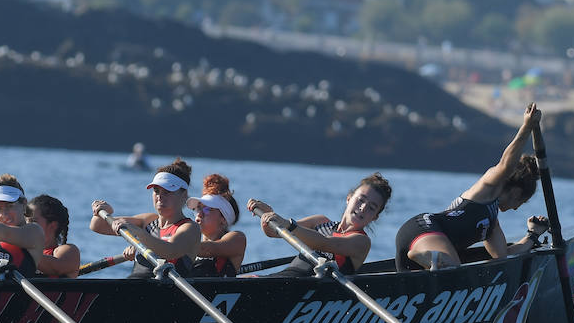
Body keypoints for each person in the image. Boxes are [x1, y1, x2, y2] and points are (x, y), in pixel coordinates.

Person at [394, 103, 549, 271]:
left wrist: (533, 235)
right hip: (422, 229)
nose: (517, 208)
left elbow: (503, 256)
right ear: (516, 192)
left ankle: (434, 258)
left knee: (439, 276)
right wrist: (527, 127)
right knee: (454, 269)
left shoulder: (491, 224)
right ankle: (432, 257)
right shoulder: (488, 189)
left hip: (427, 246)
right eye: (522, 202)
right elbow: (507, 165)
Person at [248, 172, 393, 278]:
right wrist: (268, 215)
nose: (363, 208)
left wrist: (287, 224)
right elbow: (274, 233)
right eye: (361, 200)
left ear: (375, 217)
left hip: (304, 294)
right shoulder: (319, 221)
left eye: (371, 207)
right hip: (283, 279)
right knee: (244, 279)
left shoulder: (361, 241)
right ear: (349, 198)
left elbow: (324, 243)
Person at [90, 157, 201, 279]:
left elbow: (170, 251)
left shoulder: (190, 228)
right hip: (133, 286)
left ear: (184, 195)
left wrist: (138, 234)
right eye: (156, 191)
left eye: (167, 192)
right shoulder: (147, 221)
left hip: (166, 293)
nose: (160, 196)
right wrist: (105, 211)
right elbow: (97, 226)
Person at [185, 174, 246, 277]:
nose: (199, 213)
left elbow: (207, 249)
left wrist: (172, 246)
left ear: (223, 219)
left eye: (207, 209)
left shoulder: (237, 238)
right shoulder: (192, 245)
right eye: (198, 208)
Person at [31, 194, 80, 278]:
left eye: (33, 221)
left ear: (52, 226)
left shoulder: (68, 251)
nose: (26, 225)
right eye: (25, 220)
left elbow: (56, 268)